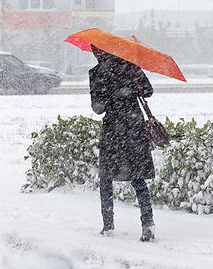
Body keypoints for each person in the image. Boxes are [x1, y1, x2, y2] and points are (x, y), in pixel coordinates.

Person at [89, 44, 156, 242]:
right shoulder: (131, 66)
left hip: (113, 131)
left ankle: (108, 225)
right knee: (137, 177)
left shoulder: (97, 72)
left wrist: (110, 94)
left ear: (97, 52)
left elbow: (98, 108)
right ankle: (148, 223)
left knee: (106, 177)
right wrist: (130, 86)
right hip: (134, 126)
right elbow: (148, 91)